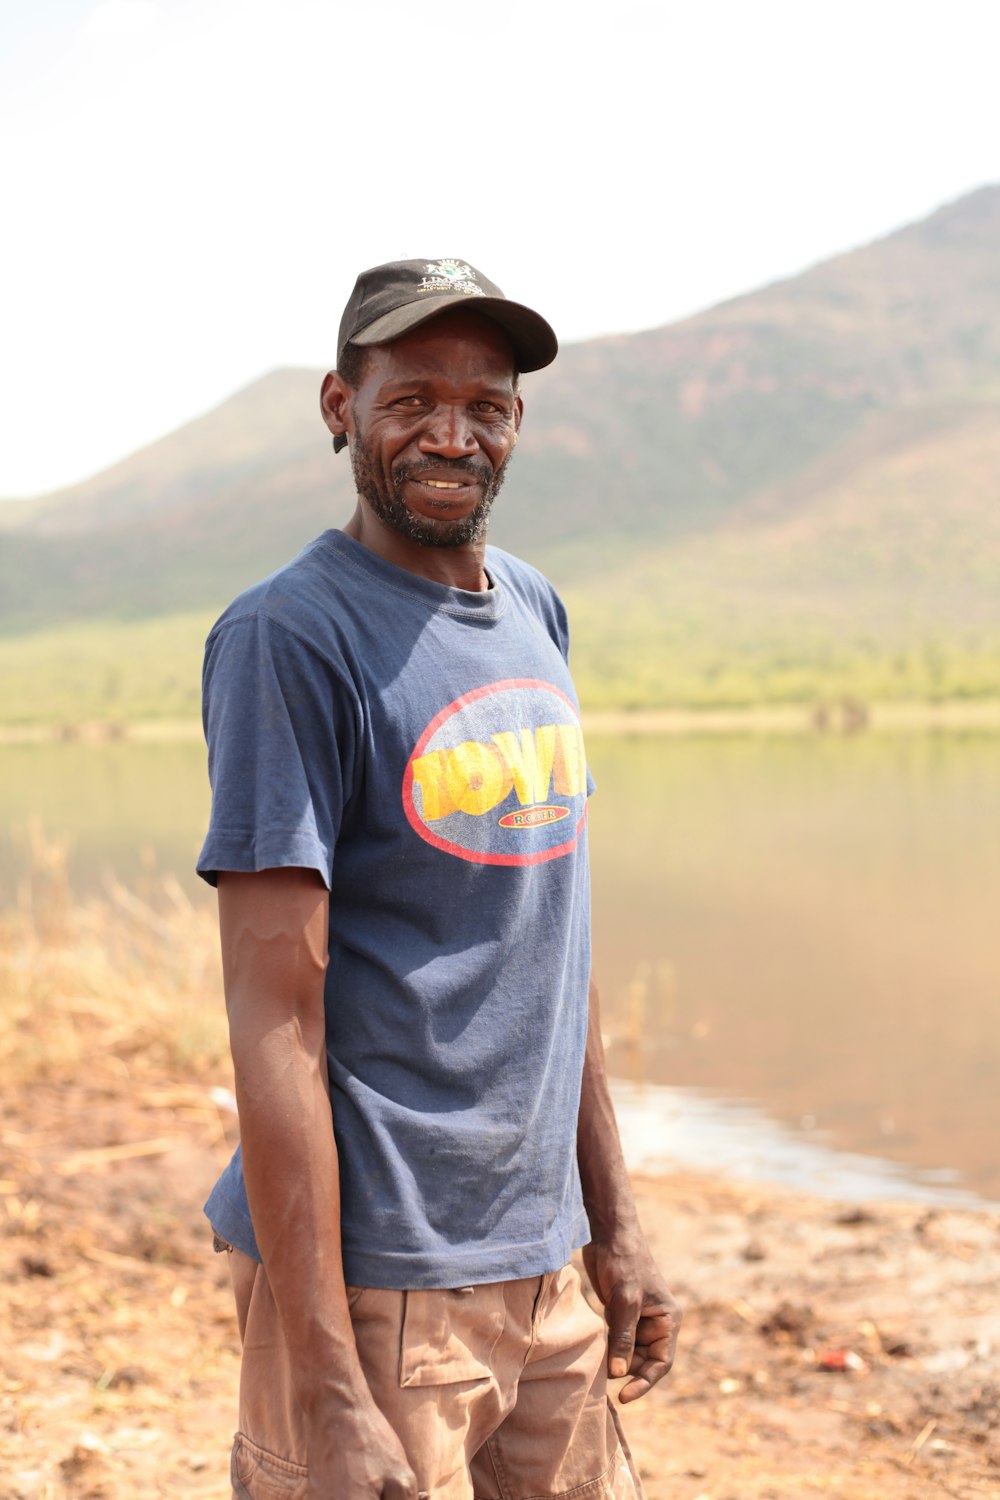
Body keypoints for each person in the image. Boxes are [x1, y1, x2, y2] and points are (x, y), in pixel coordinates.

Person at [197, 258, 682, 1500]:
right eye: (411, 397)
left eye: (488, 404)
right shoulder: (289, 636)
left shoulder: (535, 610)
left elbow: (547, 944)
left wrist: (609, 1221)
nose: (451, 433)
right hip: (377, 1280)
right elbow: (272, 1017)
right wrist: (324, 1384)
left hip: (542, 1261)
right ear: (338, 407)